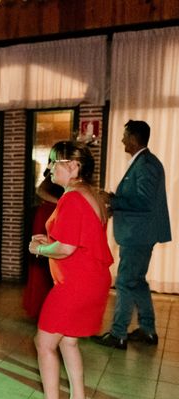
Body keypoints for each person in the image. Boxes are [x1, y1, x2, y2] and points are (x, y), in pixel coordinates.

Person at [25, 141, 113, 399]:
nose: (49, 168)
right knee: (68, 341)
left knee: (44, 342)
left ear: (73, 167)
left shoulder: (72, 197)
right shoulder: (92, 194)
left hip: (75, 284)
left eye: (54, 162)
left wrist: (39, 248)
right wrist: (48, 238)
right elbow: (80, 238)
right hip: (92, 280)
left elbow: (65, 248)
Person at [93, 120, 171, 349]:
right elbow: (139, 200)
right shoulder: (144, 162)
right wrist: (115, 205)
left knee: (126, 282)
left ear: (134, 138)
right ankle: (148, 330)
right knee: (137, 282)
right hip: (140, 233)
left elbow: (143, 201)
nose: (122, 140)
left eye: (125, 136)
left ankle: (118, 334)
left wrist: (113, 199)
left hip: (138, 235)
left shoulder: (145, 164)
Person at [22, 170, 64, 318]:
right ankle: (42, 307)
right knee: (43, 265)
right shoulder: (53, 175)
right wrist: (63, 203)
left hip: (56, 214)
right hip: (49, 214)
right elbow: (41, 191)